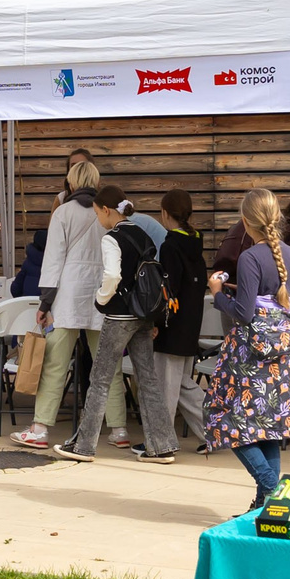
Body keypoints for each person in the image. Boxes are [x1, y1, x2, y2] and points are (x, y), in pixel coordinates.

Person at [55, 188, 179, 463]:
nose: (98, 217)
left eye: (98, 212)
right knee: (148, 381)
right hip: (143, 315)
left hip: (119, 316)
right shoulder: (141, 233)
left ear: (106, 210)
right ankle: (161, 446)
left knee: (99, 380)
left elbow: (112, 275)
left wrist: (101, 299)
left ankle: (83, 446)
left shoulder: (112, 238)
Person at [203, 188, 290, 504]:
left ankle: (271, 487)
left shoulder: (250, 257)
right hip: (283, 356)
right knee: (268, 427)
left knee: (226, 421)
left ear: (243, 220)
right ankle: (264, 505)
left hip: (251, 356)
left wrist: (218, 293)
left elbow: (244, 313)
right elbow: (281, 302)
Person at [13, 160, 128, 450]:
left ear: (72, 183)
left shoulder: (63, 213)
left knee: (55, 365)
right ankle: (119, 429)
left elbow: (52, 261)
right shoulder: (108, 213)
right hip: (103, 296)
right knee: (108, 367)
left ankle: (40, 430)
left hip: (67, 296)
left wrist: (45, 301)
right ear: (97, 182)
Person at [149, 191, 210, 444]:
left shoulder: (170, 246)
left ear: (164, 213)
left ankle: (160, 442)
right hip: (191, 324)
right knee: (181, 385)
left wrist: (155, 322)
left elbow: (167, 290)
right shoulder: (195, 244)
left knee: (166, 388)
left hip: (171, 326)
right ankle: (215, 430)